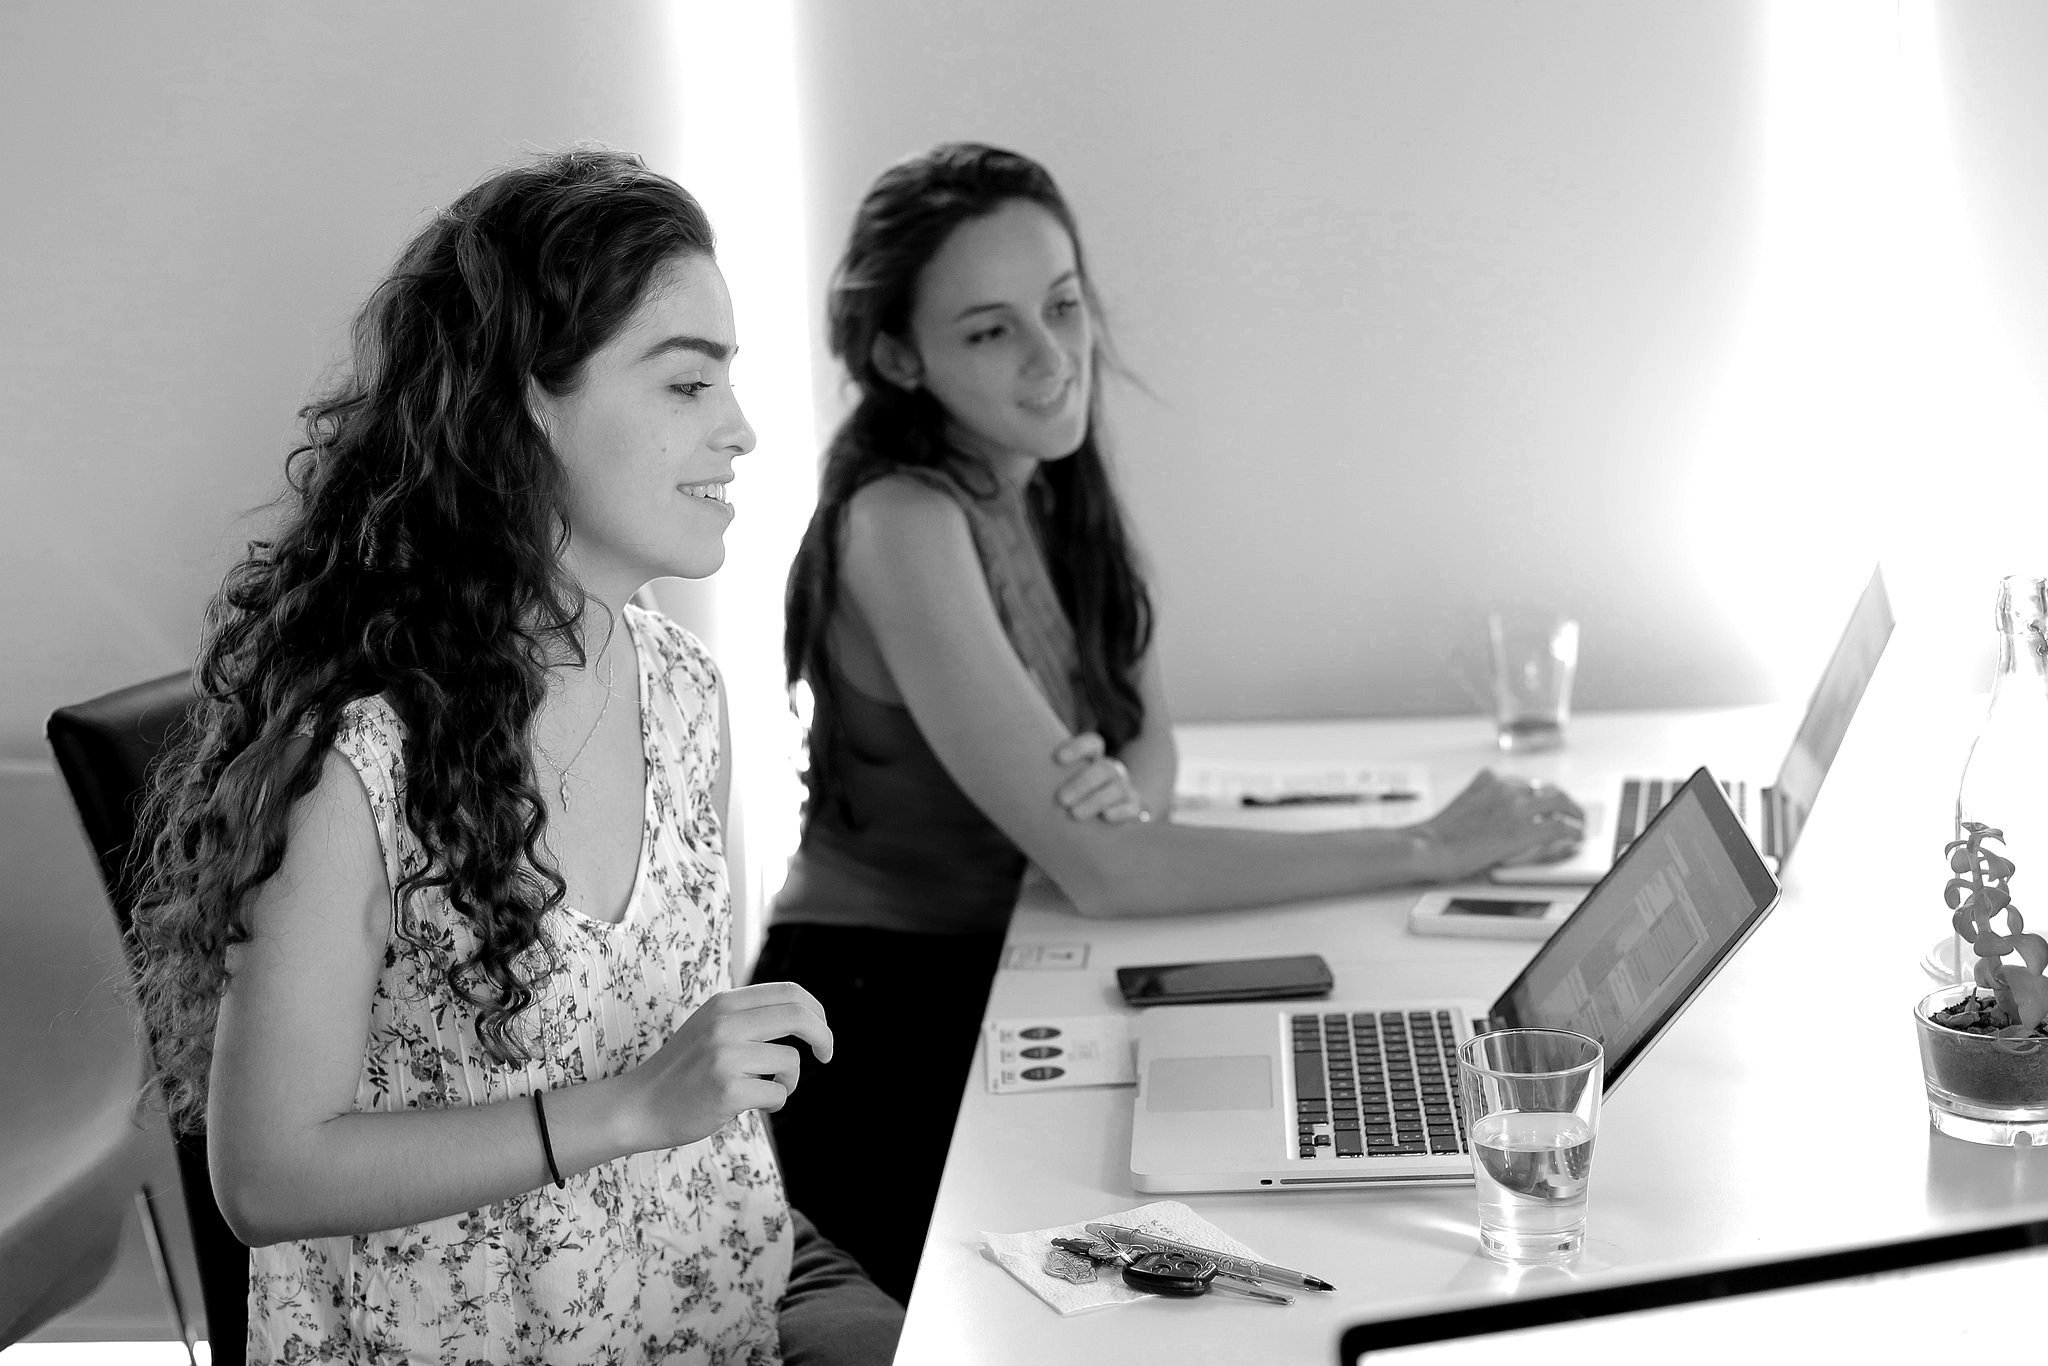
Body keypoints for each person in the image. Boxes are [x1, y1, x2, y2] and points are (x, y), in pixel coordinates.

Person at [760, 141, 1586, 1301]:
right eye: (990, 331)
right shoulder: (903, 519)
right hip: (877, 1012)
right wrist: (1427, 850)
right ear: (898, 355)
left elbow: (1149, 743)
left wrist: (1117, 813)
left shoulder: (1044, 472)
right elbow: (1101, 868)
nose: (1053, 359)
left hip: (1011, 955)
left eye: (1061, 306)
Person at [131, 149, 901, 1365]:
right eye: (687, 384)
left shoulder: (686, 691)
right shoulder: (355, 761)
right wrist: (631, 1107)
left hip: (708, 1309)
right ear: (523, 403)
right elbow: (266, 1175)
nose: (741, 429)